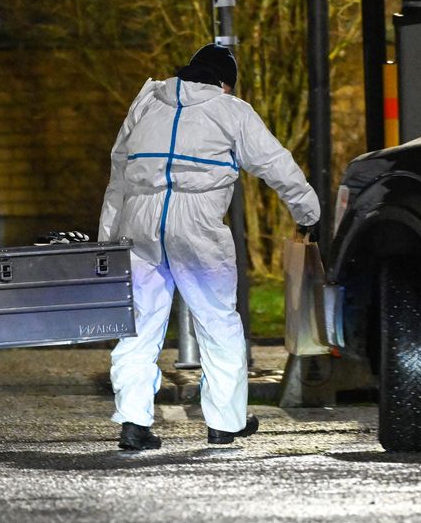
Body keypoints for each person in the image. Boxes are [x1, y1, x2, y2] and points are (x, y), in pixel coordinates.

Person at [98, 43, 320, 450]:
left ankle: (133, 422)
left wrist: (107, 238)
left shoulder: (147, 103)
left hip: (139, 221)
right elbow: (275, 163)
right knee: (218, 322)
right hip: (197, 225)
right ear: (223, 83)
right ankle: (224, 422)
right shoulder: (231, 110)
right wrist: (308, 211)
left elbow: (119, 169)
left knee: (138, 325)